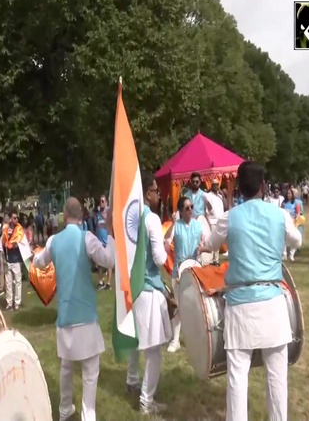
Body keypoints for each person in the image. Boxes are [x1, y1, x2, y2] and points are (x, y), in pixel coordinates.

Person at [201, 161, 302, 421]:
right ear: (263, 186)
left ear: (238, 189)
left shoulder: (229, 218)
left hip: (241, 307)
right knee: (277, 378)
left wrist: (202, 248)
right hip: (272, 305)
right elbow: (297, 240)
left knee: (237, 378)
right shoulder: (279, 215)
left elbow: (211, 243)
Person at [33, 197, 115, 421]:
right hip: (85, 316)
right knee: (90, 373)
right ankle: (88, 415)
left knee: (66, 368)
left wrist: (33, 254)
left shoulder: (53, 241)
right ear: (81, 216)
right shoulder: (86, 237)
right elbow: (109, 260)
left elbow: (39, 262)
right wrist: (110, 232)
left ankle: (64, 410)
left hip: (65, 317)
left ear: (64, 214)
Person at [125, 173, 171, 415]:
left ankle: (132, 381)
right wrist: (164, 248)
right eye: (155, 190)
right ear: (147, 193)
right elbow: (159, 258)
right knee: (153, 352)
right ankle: (146, 400)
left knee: (134, 341)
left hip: (131, 287)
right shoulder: (151, 219)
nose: (158, 194)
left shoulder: (129, 217)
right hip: (148, 288)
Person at [164, 196, 203, 353]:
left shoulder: (198, 225)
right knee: (178, 306)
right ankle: (175, 340)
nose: (190, 210)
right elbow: (166, 240)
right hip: (179, 271)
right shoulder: (176, 226)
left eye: (191, 207)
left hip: (194, 270)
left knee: (196, 306)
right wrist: (172, 223)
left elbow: (205, 242)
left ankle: (197, 339)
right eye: (187, 208)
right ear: (180, 211)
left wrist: (203, 246)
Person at [0, 208, 30, 311]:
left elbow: (23, 243)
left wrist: (14, 245)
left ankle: (17, 303)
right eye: (14, 218)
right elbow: (2, 242)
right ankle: (9, 303)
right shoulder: (5, 229)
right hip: (7, 259)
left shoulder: (19, 230)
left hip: (16, 259)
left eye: (17, 218)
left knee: (17, 282)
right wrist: (3, 252)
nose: (16, 219)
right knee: (8, 283)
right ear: (10, 219)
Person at [95, 194, 112, 290]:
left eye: (102, 201)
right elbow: (97, 227)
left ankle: (108, 283)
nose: (101, 203)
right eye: (100, 201)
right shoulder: (98, 214)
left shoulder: (108, 212)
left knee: (109, 263)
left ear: (106, 202)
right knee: (100, 263)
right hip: (99, 242)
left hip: (107, 241)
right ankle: (100, 281)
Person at [281, 188, 302, 261]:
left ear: (292, 194)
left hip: (293, 222)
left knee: (297, 238)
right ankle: (284, 254)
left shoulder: (296, 203)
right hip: (285, 223)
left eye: (290, 193)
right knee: (283, 238)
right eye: (287, 193)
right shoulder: (284, 203)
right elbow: (281, 211)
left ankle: (292, 254)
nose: (288, 195)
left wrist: (296, 218)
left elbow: (298, 212)